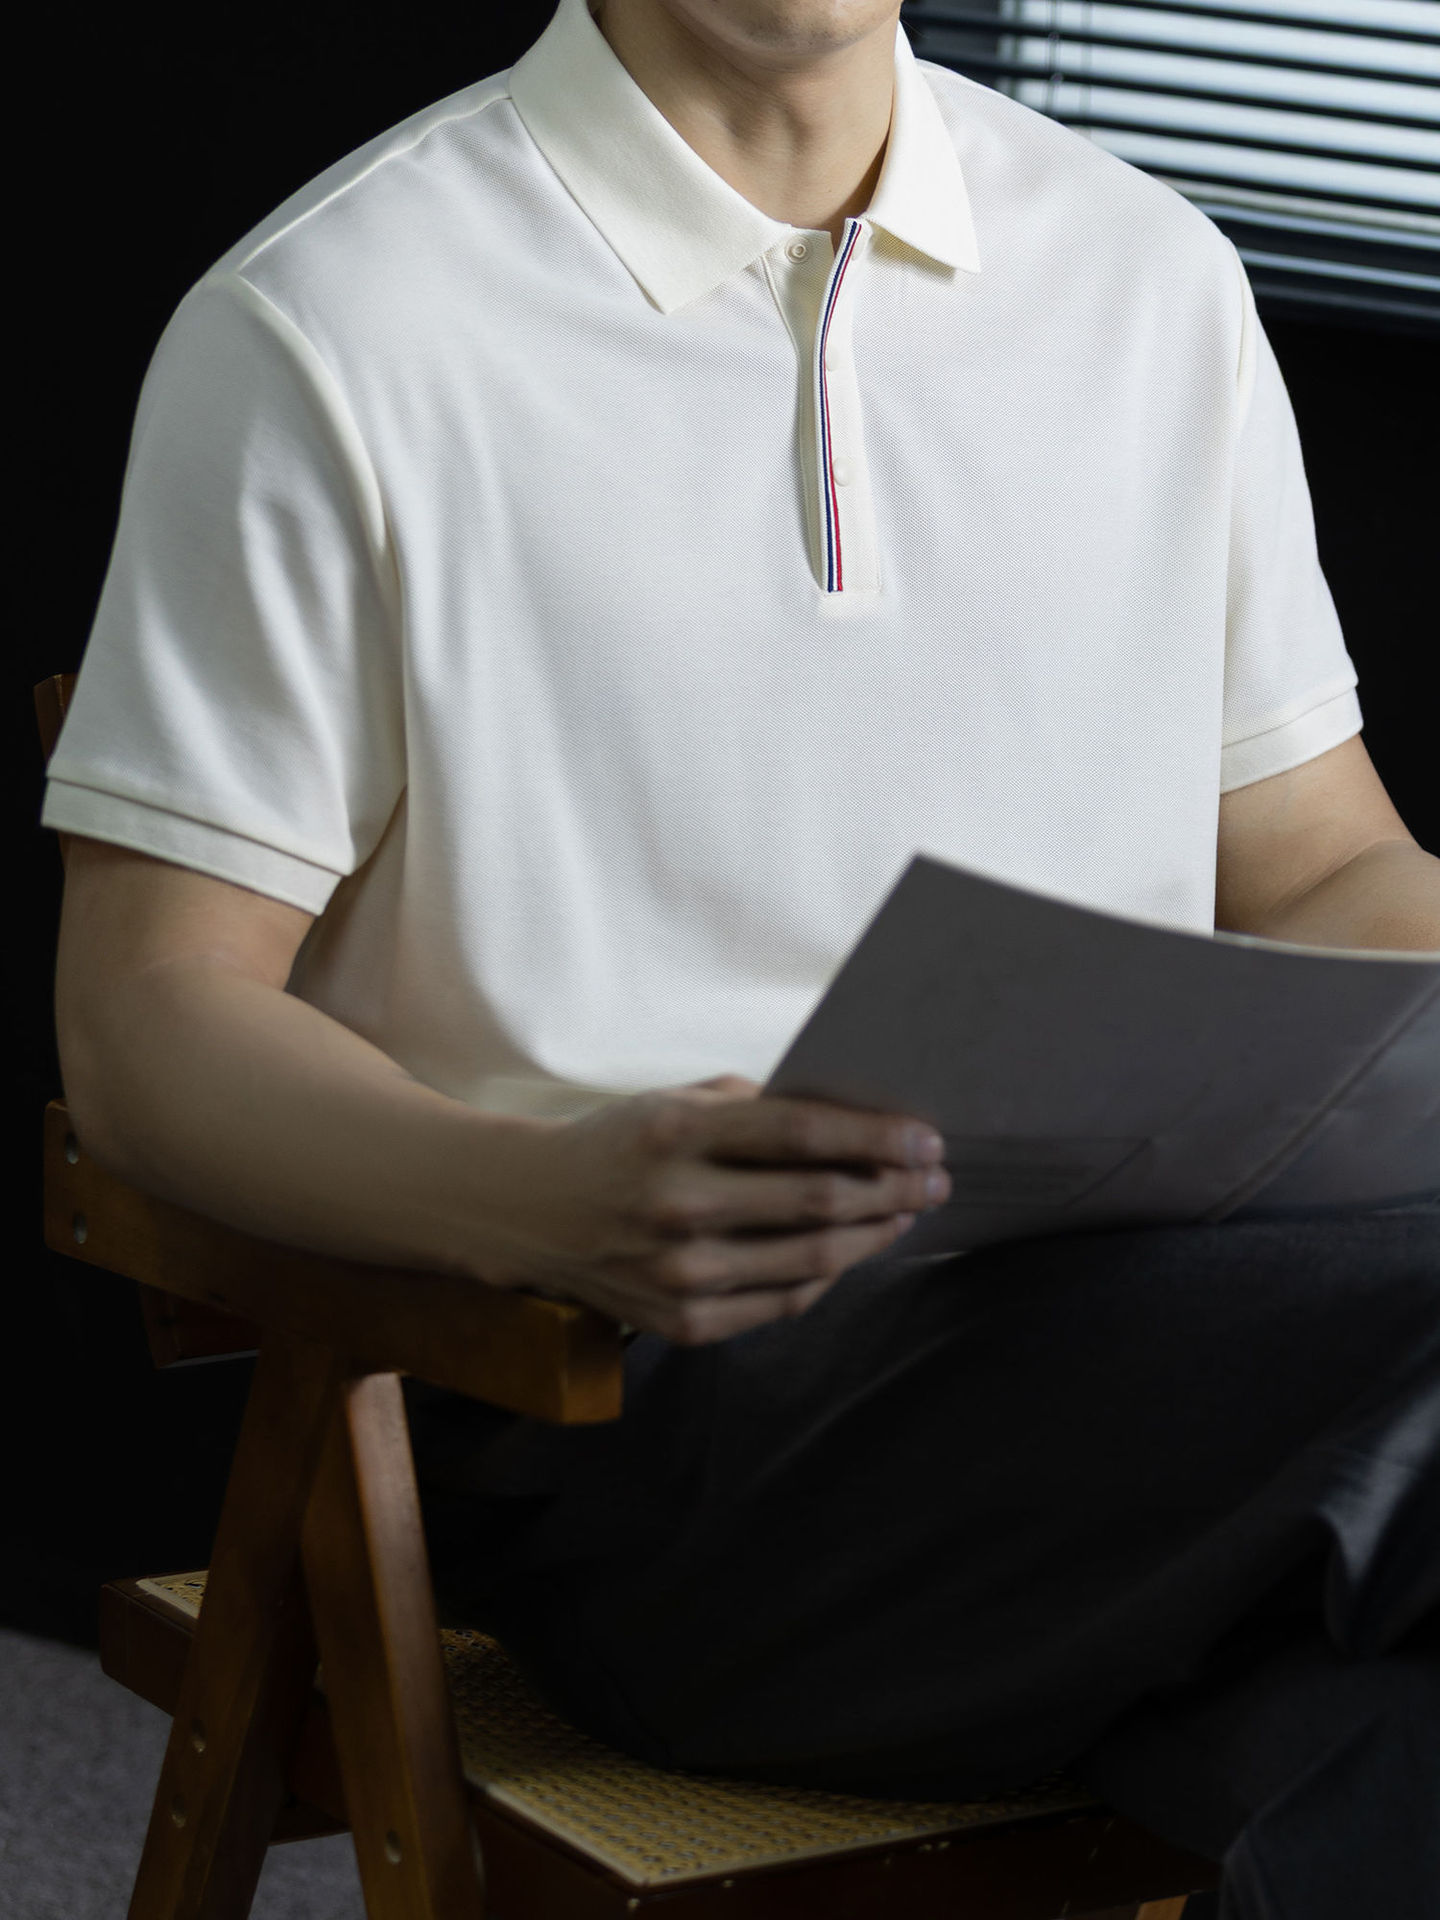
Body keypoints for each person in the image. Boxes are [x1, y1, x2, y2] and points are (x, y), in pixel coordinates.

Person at [42, 0, 1440, 1913]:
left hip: (1178, 1368)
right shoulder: (329, 322)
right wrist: (546, 1201)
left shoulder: (1148, 277)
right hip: (643, 1437)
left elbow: (1326, 864)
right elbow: (146, 1016)